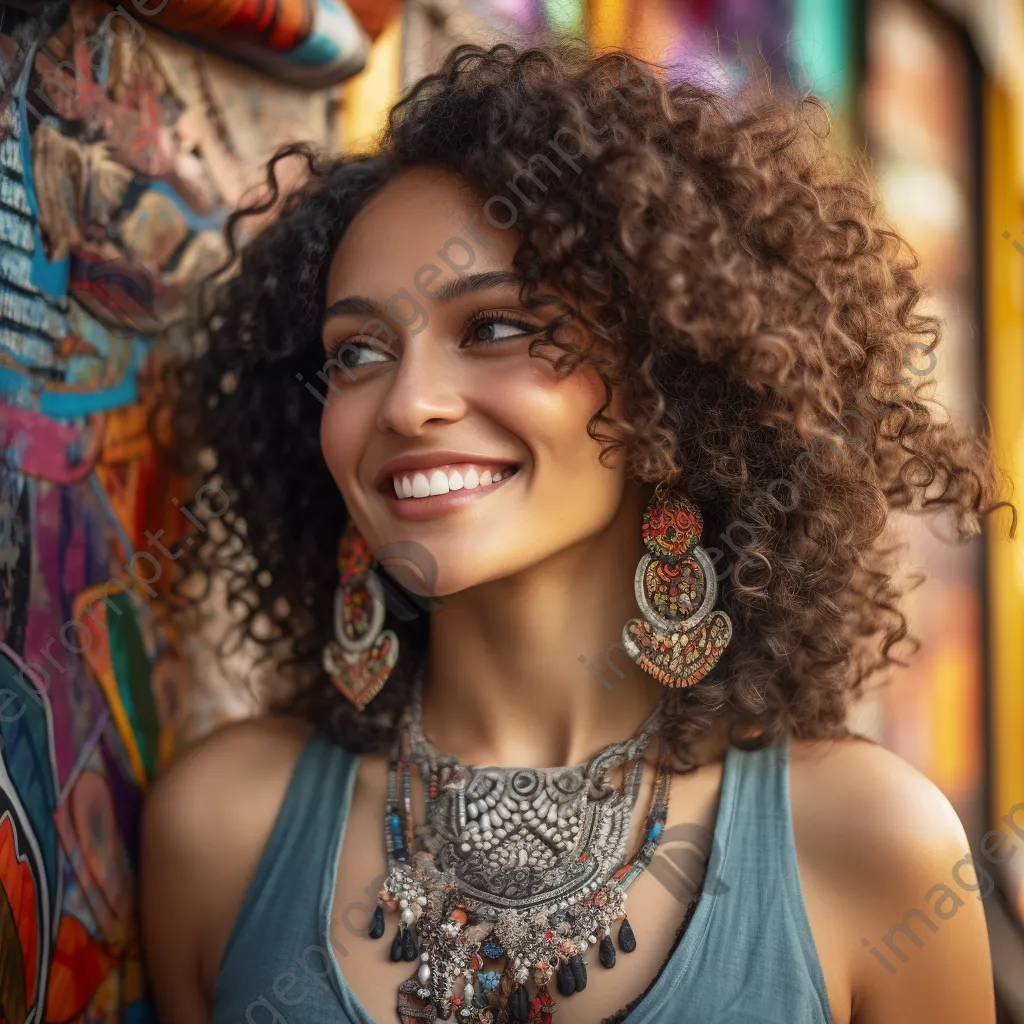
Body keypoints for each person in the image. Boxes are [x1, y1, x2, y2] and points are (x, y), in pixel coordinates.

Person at [140, 42, 1006, 1024]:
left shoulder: (867, 843)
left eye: (499, 328)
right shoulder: (219, 828)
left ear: (666, 384)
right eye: (358, 352)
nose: (409, 401)